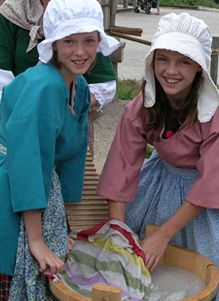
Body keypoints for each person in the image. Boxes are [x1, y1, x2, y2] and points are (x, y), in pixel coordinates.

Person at [0, 0, 120, 300]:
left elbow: (70, 159)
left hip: (41, 187)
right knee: (23, 269)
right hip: (15, 185)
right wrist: (37, 239)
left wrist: (60, 225)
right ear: (53, 43)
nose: (80, 52)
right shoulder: (44, 88)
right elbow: (29, 163)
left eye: (88, 41)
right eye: (69, 41)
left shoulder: (77, 87)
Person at [97, 12, 219, 300]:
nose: (171, 70)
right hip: (158, 180)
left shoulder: (213, 116)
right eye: (163, 59)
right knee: (134, 250)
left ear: (200, 67)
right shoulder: (142, 106)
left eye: (183, 61)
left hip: (201, 198)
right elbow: (121, 167)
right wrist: (119, 233)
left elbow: (211, 182)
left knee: (200, 267)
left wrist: (164, 235)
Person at [0, 0, 117, 157]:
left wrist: (65, 108)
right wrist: (36, 110)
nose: (79, 51)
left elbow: (104, 84)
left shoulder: (81, 10)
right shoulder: (11, 13)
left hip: (69, 125)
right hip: (17, 121)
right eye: (68, 41)